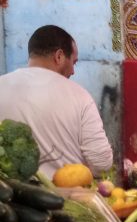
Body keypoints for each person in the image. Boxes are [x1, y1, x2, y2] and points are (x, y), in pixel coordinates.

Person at [0, 25, 114, 179]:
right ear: (59, 56)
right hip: (67, 193)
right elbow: (102, 164)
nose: (73, 71)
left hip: (8, 192)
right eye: (74, 62)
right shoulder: (80, 96)